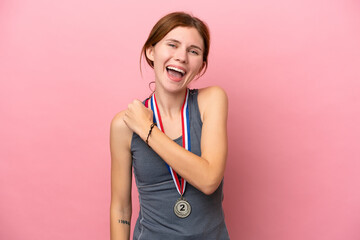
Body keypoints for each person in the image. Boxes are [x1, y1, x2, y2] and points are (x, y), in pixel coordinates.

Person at [110, 12, 230, 239]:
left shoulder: (212, 100)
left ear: (201, 66)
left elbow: (209, 180)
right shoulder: (123, 125)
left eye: (193, 51)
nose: (181, 57)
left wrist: (148, 130)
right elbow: (121, 208)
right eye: (172, 45)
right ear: (151, 51)